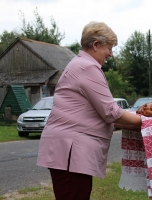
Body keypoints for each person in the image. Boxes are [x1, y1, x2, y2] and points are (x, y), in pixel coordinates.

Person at [36, 21, 142, 200]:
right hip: (71, 150)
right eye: (109, 48)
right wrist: (146, 122)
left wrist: (137, 121)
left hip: (68, 150)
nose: (110, 53)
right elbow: (110, 112)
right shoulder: (88, 67)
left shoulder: (79, 65)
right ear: (95, 45)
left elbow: (105, 115)